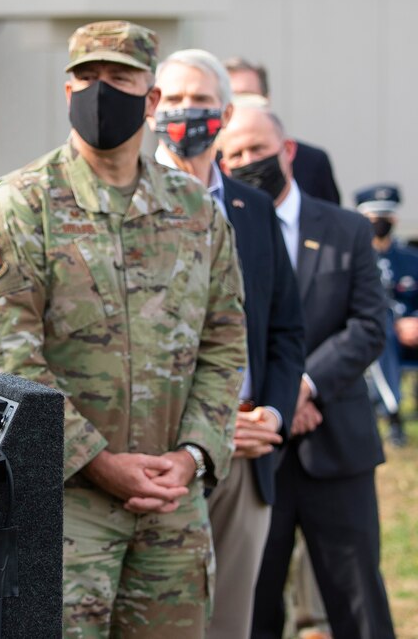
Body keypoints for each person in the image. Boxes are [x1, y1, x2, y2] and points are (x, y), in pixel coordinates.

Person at [0, 20, 247, 637]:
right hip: (69, 506)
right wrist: (96, 460)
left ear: (151, 102)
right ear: (67, 93)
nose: (100, 91)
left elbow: (225, 344)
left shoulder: (196, 211)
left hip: (173, 506)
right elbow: (6, 360)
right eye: (86, 78)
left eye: (118, 79)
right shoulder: (20, 203)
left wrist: (194, 454)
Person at [216, 103, 395, 638]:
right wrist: (271, 401)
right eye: (236, 154)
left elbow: (369, 324)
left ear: (287, 151)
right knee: (251, 607)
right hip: (252, 455)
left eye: (259, 150)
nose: (249, 161)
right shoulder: (216, 231)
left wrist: (300, 387)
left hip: (335, 446)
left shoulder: (344, 229)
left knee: (358, 600)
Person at [152, 49, 305, 639]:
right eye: (176, 99)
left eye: (202, 101)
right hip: (165, 455)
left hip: (247, 460)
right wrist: (206, 429)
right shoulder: (126, 204)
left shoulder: (253, 208)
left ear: (225, 111)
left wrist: (275, 412)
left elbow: (286, 330)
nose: (189, 112)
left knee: (231, 624)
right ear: (152, 109)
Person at [224, 57, 341, 205]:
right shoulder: (207, 166)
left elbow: (330, 221)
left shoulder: (311, 162)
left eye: (247, 97)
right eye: (231, 98)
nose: (239, 106)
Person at [355, 183, 418, 447]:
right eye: (374, 217)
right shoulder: (355, 258)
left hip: (413, 331)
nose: (380, 222)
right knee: (382, 332)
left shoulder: (410, 257)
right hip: (380, 335)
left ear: (394, 219)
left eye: (385, 216)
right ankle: (392, 415)